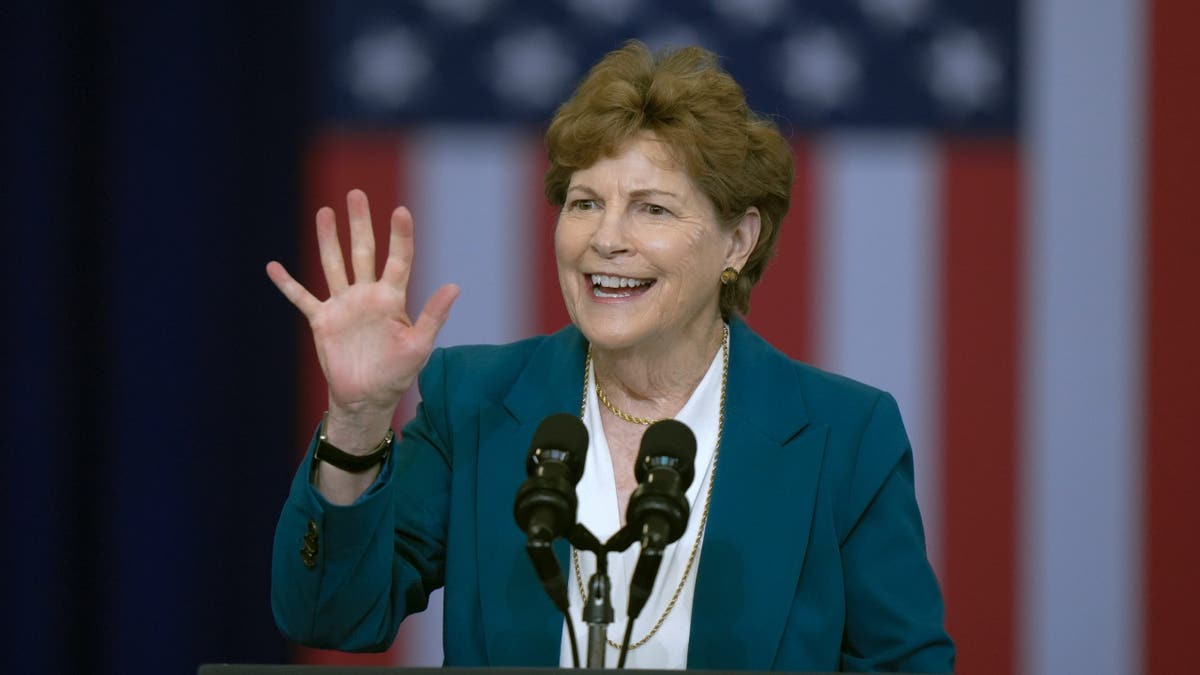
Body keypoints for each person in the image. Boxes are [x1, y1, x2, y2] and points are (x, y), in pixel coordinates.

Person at [267, 41, 954, 672]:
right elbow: (331, 613)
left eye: (652, 209)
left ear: (738, 241)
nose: (606, 239)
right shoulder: (475, 399)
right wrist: (357, 419)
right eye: (584, 202)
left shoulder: (844, 436)